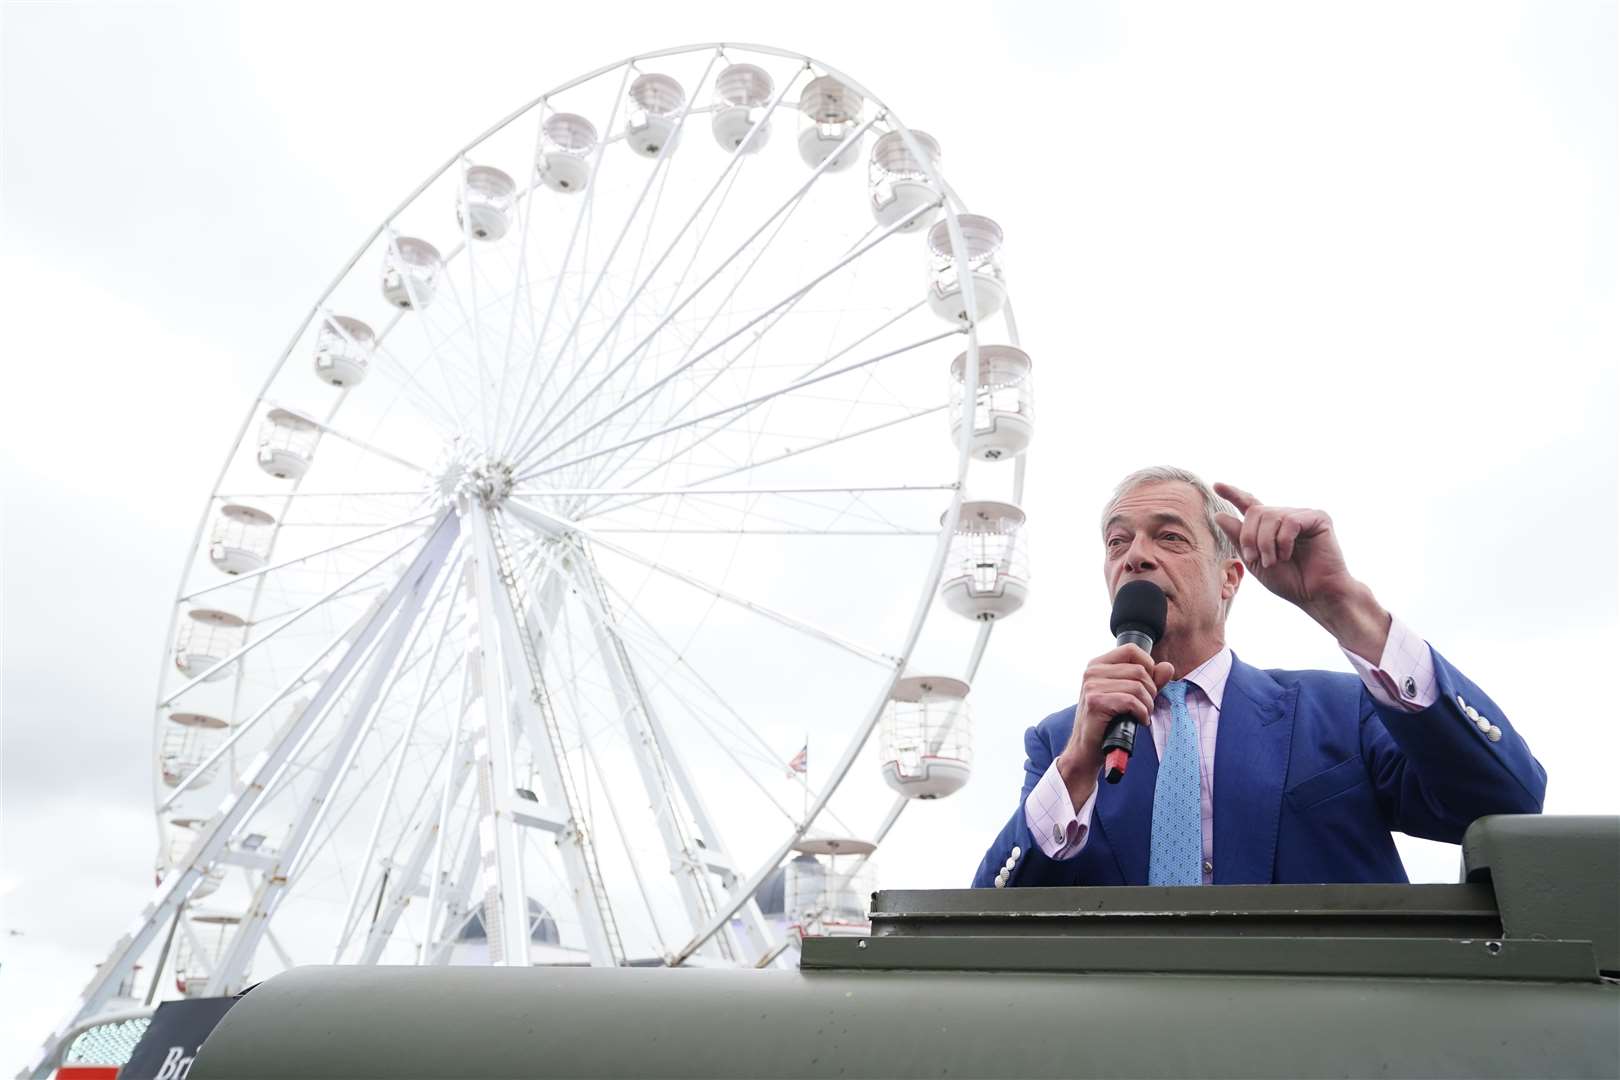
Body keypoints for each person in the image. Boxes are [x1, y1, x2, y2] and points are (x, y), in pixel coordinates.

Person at [973, 466, 1545, 888]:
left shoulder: (1339, 710)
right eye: (1118, 542)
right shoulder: (1060, 744)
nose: (1135, 556)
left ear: (1230, 578)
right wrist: (1075, 768)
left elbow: (1506, 799)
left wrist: (1346, 607)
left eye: (1169, 537)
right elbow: (986, 920)